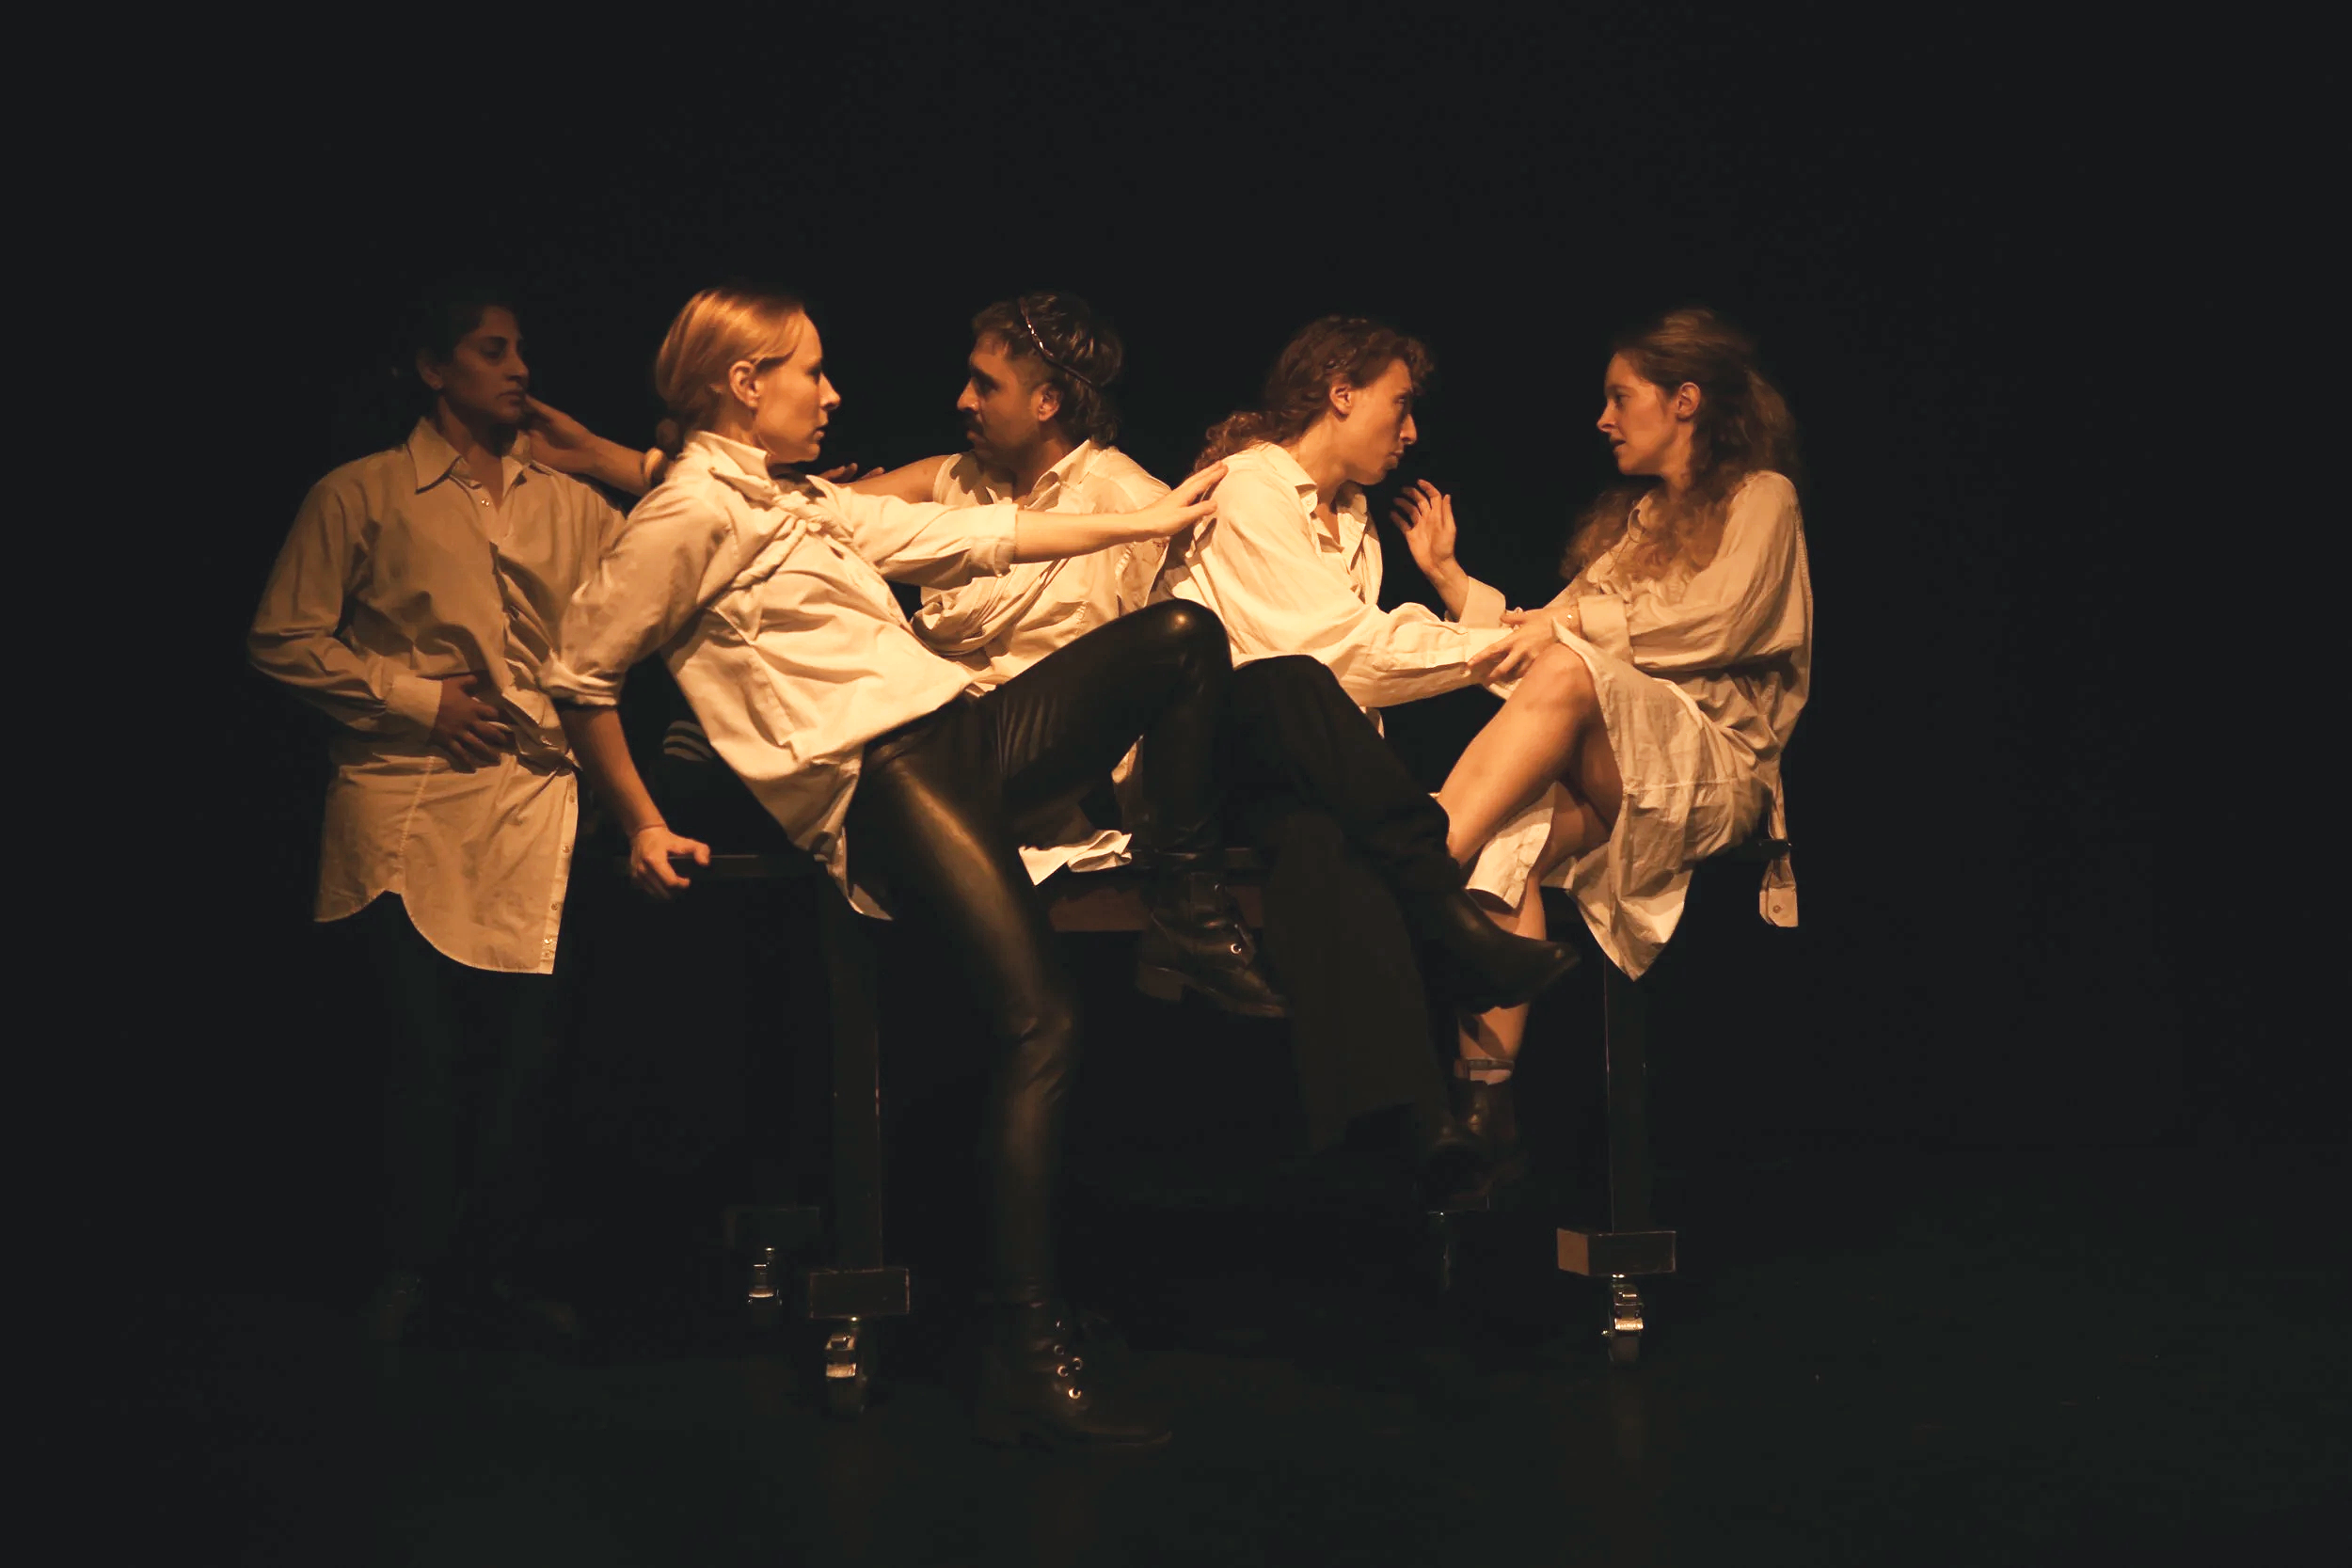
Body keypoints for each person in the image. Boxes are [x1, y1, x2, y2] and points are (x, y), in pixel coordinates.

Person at [540, 284, 1278, 1447]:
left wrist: (1148, 525)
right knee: (1042, 1025)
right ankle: (1024, 1348)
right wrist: (636, 819)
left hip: (960, 736)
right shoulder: (685, 514)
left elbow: (982, 533)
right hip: (883, 774)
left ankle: (1188, 902)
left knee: (1181, 639)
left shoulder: (798, 502)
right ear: (745, 384)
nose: (833, 393)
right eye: (811, 372)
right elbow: (579, 673)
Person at [248, 279, 626, 1344]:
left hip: (535, 804)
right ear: (432, 368)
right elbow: (284, 637)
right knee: (418, 1052)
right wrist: (422, 698)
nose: (518, 368)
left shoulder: (568, 501)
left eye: (521, 351)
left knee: (527, 1058)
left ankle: (492, 1269)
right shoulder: (361, 493)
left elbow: (657, 590)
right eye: (492, 350)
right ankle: (409, 1266)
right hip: (404, 801)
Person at [1158, 316, 1579, 1193]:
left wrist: (1473, 615)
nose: (1413, 430)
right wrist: (1489, 647)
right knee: (1293, 682)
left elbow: (1357, 674)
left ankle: (1409, 1125)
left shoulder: (1354, 522)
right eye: (1401, 404)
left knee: (1323, 842)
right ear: (1340, 393)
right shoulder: (1246, 488)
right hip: (1199, 764)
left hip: (1296, 772)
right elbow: (1334, 649)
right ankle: (1445, 913)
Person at [1408, 308, 1813, 1171]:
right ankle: (1482, 1105)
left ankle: (1414, 860)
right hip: (1627, 763)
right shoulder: (1639, 527)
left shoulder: (1761, 499)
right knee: (1507, 838)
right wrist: (1452, 581)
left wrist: (1572, 634)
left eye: (1620, 397)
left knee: (1562, 678)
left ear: (1686, 401)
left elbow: (1728, 621)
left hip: (1717, 769)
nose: (1603, 417)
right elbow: (1549, 630)